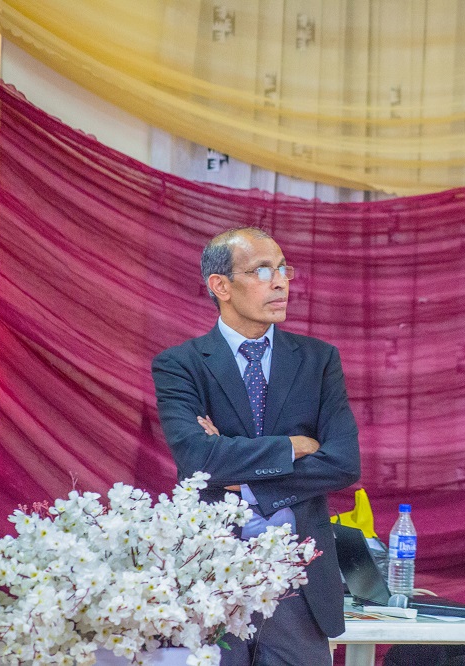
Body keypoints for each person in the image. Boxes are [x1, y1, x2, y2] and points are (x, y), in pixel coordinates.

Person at [152, 227, 360, 666]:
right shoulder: (180, 365)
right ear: (220, 286)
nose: (280, 281)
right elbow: (196, 460)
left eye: (283, 269)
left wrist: (247, 482)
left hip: (298, 582)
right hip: (209, 577)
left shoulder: (318, 360)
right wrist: (292, 446)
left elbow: (343, 463)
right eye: (262, 270)